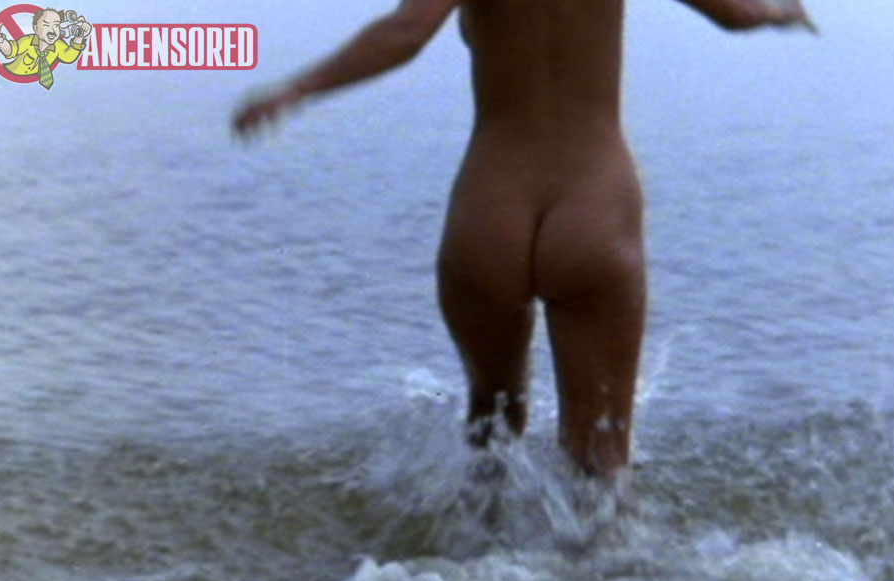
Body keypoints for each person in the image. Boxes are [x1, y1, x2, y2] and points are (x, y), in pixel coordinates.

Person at [233, 0, 814, 479]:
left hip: (491, 211)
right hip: (594, 205)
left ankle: (468, 577)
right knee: (601, 464)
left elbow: (406, 33)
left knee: (490, 431)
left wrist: (297, 89)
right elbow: (736, 13)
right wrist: (783, 11)